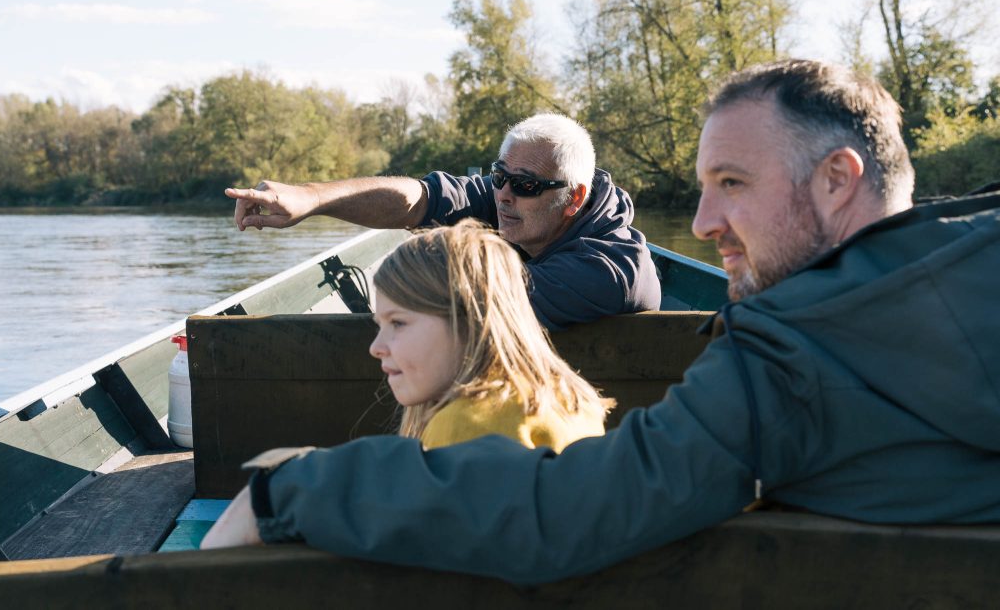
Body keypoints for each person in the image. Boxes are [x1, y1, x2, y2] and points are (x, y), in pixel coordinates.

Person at [201, 59, 1000, 585]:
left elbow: (568, 512)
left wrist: (292, 488)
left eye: (730, 182)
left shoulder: (783, 360)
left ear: (836, 181)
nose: (702, 219)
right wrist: (309, 199)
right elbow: (429, 196)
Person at [224, 113, 662, 330]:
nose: (505, 195)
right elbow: (420, 198)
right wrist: (311, 198)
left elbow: (467, 307)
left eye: (525, 185)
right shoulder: (510, 201)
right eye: (498, 177)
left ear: (574, 199)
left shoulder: (608, 272)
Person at [368, 219, 612, 450]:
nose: (376, 348)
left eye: (398, 323)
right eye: (380, 326)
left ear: (469, 323)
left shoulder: (464, 425)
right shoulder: (571, 400)